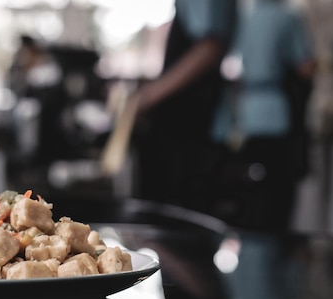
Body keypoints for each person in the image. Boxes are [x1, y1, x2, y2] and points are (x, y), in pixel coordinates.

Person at [209, 0, 316, 231]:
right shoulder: (288, 16)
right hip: (277, 115)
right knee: (277, 202)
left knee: (251, 198)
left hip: (248, 114)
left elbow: (232, 61)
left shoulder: (246, 16)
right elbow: (305, 67)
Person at [133, 0, 238, 214]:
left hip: (193, 127)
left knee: (182, 217)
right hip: (186, 125)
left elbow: (210, 46)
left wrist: (150, 95)